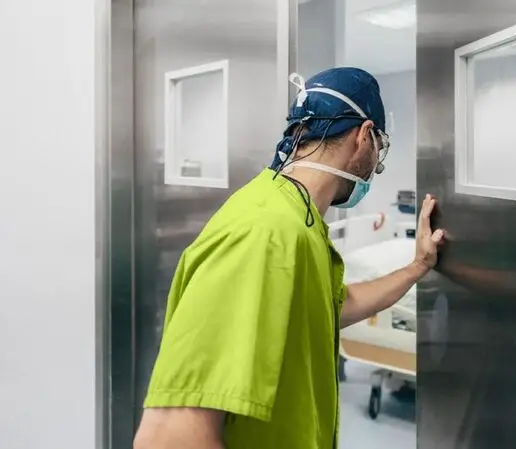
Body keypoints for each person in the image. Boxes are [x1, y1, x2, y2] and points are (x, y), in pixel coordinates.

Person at [133, 67, 445, 449]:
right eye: (379, 145)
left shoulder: (299, 219)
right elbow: (169, 437)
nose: (376, 162)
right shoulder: (265, 234)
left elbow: (331, 306)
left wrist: (417, 266)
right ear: (365, 137)